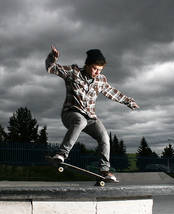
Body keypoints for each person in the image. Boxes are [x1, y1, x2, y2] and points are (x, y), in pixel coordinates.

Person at [45, 45, 139, 182]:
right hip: (71, 113)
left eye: (100, 70)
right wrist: (52, 57)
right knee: (80, 121)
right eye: (95, 68)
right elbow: (51, 68)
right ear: (87, 65)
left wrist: (128, 102)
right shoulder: (73, 72)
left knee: (104, 137)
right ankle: (61, 154)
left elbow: (112, 92)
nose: (97, 72)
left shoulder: (100, 80)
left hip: (90, 117)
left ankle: (104, 170)